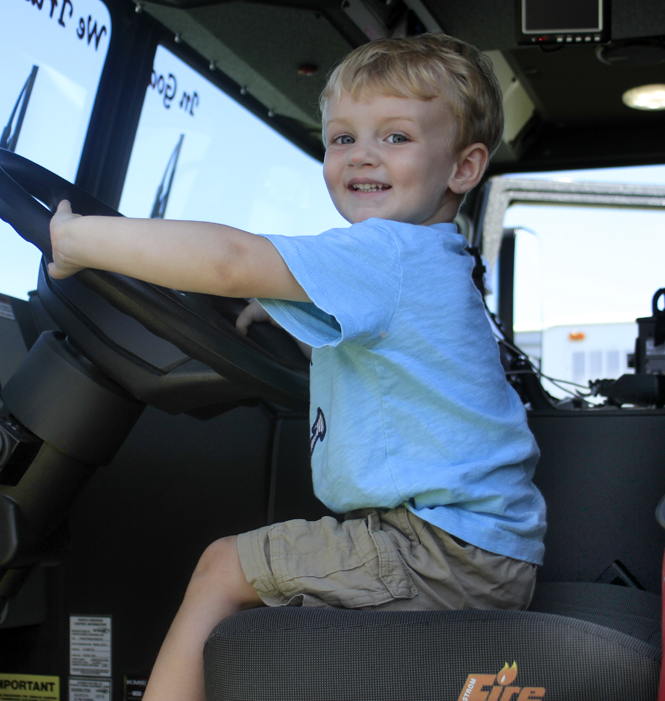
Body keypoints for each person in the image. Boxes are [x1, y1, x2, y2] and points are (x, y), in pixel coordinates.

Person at [47, 33, 546, 701]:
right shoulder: (425, 256)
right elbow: (392, 362)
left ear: (463, 167)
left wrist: (81, 239)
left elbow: (227, 261)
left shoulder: (384, 251)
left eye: (395, 137)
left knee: (222, 567)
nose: (362, 155)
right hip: (478, 551)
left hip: (436, 549)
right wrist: (283, 317)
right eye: (342, 138)